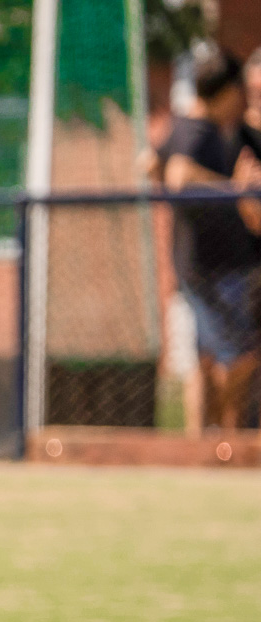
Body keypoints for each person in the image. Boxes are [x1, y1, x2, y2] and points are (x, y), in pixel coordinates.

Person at [159, 44, 261, 432]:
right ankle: (217, 436)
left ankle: (216, 439)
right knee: (237, 357)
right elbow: (178, 176)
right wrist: (235, 189)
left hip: (223, 267)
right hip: (206, 271)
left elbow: (151, 161)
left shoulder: (226, 132)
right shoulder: (195, 128)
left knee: (215, 358)